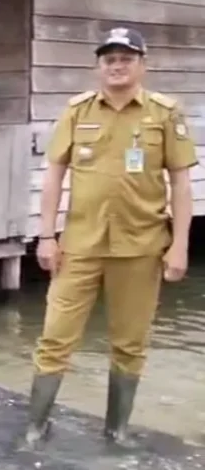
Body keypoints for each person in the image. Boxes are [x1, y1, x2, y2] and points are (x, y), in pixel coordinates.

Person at [26, 27, 196, 448]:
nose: (117, 66)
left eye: (126, 58)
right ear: (99, 65)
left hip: (141, 247)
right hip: (80, 246)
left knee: (130, 343)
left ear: (143, 63)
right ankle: (35, 427)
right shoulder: (78, 111)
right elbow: (53, 175)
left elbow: (180, 183)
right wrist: (46, 235)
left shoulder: (164, 113)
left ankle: (116, 431)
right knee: (55, 338)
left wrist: (180, 244)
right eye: (109, 59)